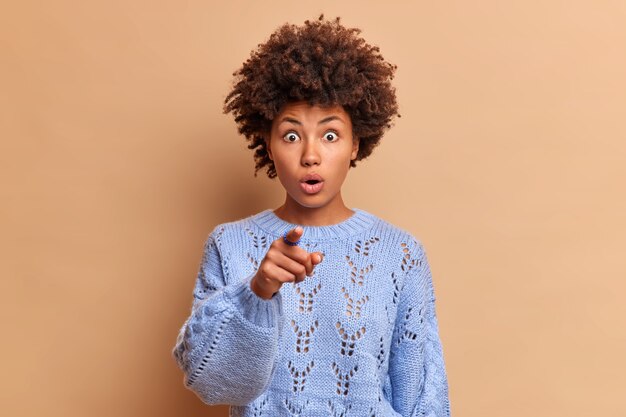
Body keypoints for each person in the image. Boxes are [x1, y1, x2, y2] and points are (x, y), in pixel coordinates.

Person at [172, 15, 451, 416]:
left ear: (357, 143)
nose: (310, 155)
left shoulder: (401, 254)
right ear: (267, 144)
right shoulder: (229, 244)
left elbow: (424, 398)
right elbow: (213, 383)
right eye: (290, 135)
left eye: (331, 134)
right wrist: (258, 290)